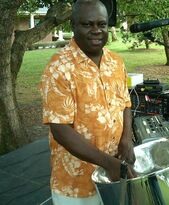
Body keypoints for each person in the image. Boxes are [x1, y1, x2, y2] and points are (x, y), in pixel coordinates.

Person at [40, 0, 136, 204]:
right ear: (73, 25)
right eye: (87, 24)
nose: (96, 30)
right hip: (77, 185)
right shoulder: (59, 68)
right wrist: (108, 163)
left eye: (101, 24)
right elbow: (60, 130)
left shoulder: (116, 61)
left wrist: (127, 137)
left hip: (114, 175)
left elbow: (125, 103)